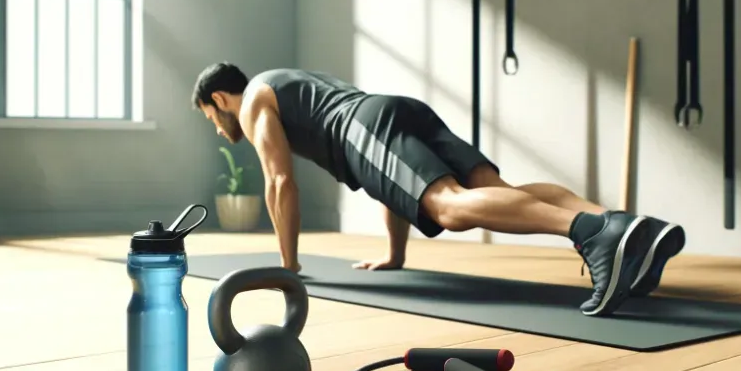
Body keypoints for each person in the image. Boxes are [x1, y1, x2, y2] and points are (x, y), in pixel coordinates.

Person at [191, 63, 686, 317]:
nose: (217, 129)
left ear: (218, 99)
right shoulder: (285, 81)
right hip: (395, 109)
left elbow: (280, 183)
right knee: (496, 191)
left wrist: (289, 265)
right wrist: (395, 253)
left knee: (449, 208)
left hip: (362, 124)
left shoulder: (254, 101)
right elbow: (387, 181)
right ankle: (623, 226)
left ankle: (594, 232)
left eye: (211, 118)